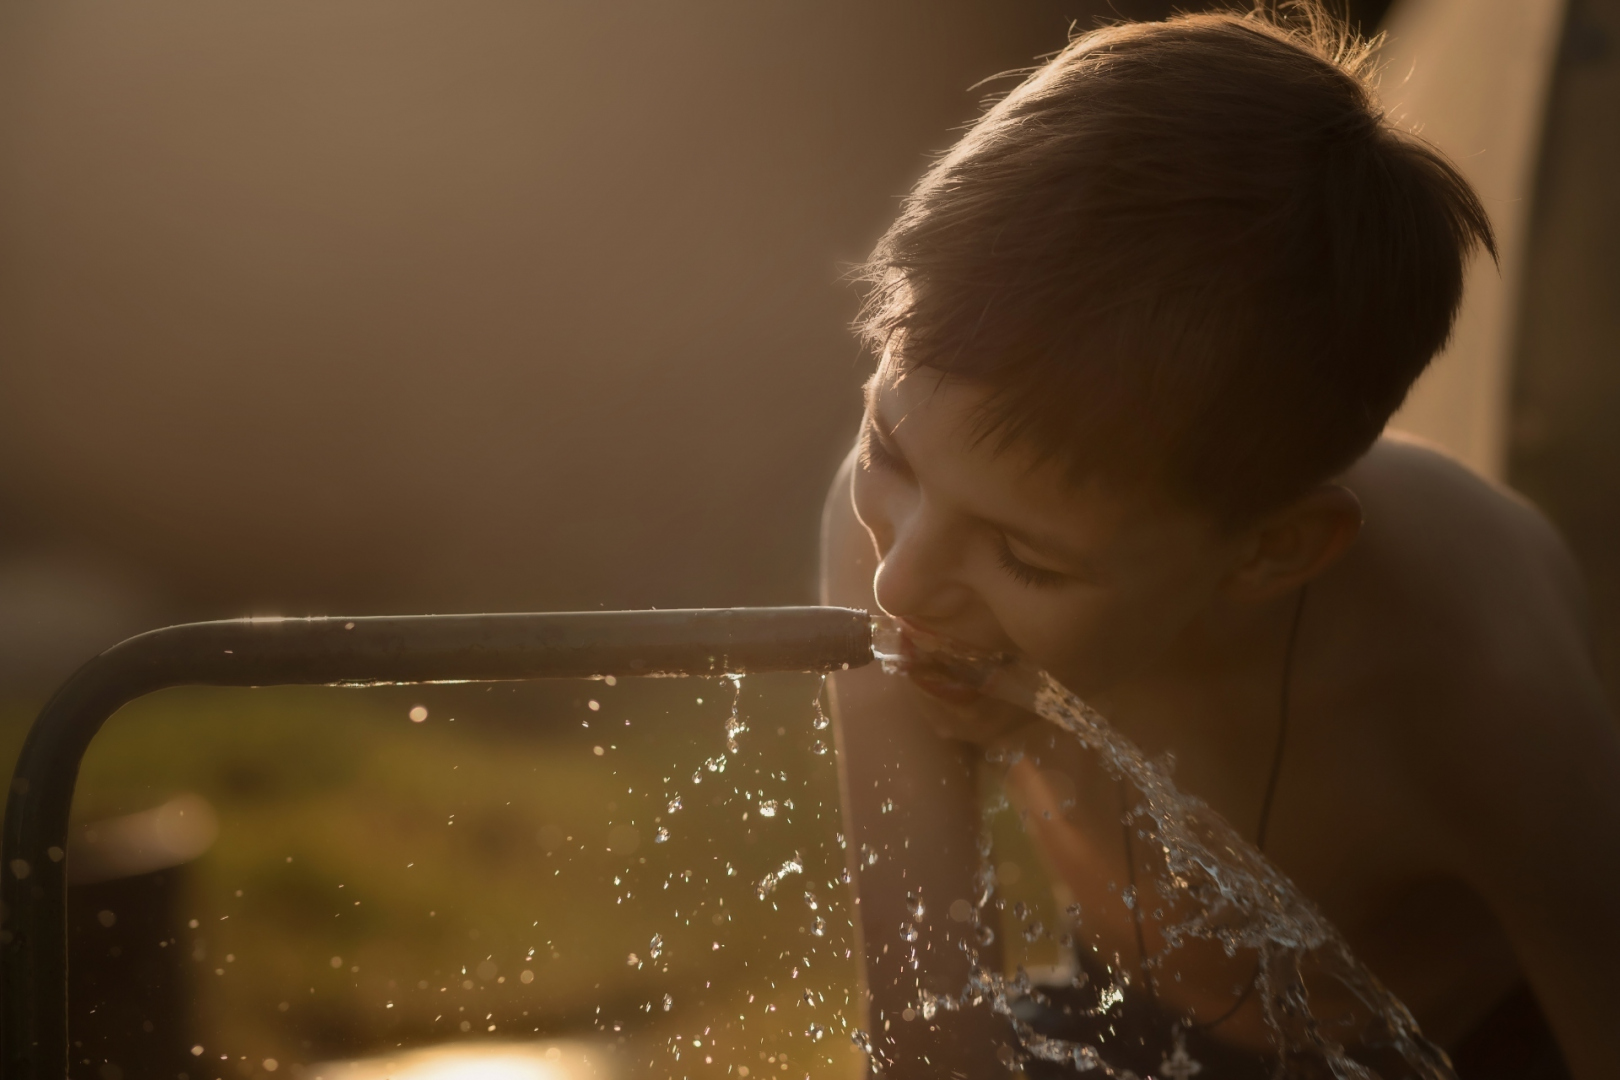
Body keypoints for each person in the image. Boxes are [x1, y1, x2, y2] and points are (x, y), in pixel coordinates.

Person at [818, 7, 1620, 1079]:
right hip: (1124, 1016)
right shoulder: (906, 525)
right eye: (887, 451)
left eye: (1030, 560)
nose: (901, 578)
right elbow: (927, 1039)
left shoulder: (1476, 669)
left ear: (1274, 551)